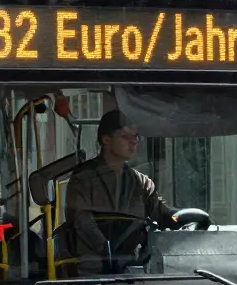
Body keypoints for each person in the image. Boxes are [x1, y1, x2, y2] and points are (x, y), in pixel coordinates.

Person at [63, 109, 177, 275]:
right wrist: (107, 252)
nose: (134, 142)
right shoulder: (83, 179)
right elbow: (82, 221)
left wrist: (183, 218)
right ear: (106, 140)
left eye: (136, 137)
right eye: (126, 136)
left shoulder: (142, 183)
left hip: (135, 270)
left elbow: (162, 214)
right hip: (91, 273)